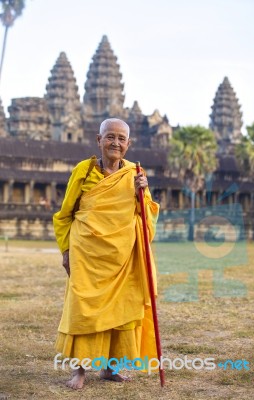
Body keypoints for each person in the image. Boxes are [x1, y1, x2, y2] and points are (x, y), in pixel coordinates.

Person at [53, 118, 159, 389]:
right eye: (110, 137)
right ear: (98, 140)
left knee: (121, 311)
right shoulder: (84, 171)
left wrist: (142, 192)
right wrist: (66, 250)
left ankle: (111, 368)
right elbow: (65, 214)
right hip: (86, 254)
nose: (116, 143)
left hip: (123, 257)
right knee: (83, 309)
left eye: (121, 138)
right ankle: (79, 370)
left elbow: (146, 219)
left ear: (128, 144)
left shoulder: (135, 173)